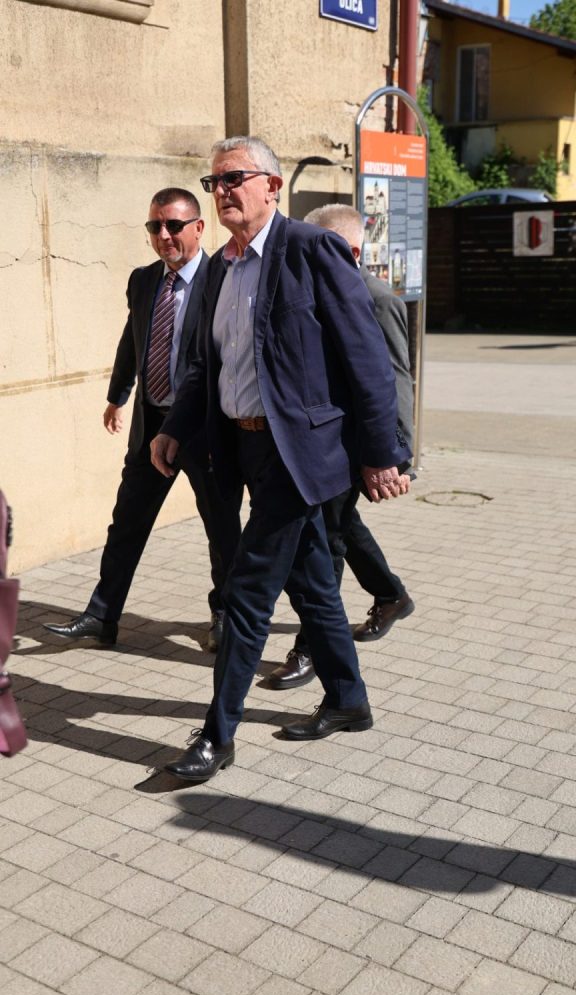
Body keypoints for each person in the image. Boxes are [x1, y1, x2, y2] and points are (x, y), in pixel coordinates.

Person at [151, 137, 411, 783]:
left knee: (246, 591)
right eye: (214, 182)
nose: (222, 191)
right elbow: (204, 364)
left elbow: (366, 360)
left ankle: (218, 735)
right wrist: (174, 428)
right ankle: (348, 700)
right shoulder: (219, 268)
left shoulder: (310, 249)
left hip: (301, 452)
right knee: (314, 582)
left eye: (234, 178)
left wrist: (382, 454)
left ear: (271, 185)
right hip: (241, 445)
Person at [44, 188, 242, 652]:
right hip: (151, 423)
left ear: (199, 227)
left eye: (174, 225)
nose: (164, 235)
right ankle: (102, 616)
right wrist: (118, 396)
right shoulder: (144, 280)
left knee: (221, 528)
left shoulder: (224, 278)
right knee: (127, 522)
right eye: (155, 226)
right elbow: (132, 339)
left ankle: (226, 614)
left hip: (204, 428)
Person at [266, 203, 415, 690]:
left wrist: (397, 455)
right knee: (339, 527)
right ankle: (390, 594)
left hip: (354, 448)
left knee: (323, 546)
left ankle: (311, 648)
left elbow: (394, 379)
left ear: (345, 251)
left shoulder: (377, 297)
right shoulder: (307, 290)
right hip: (315, 447)